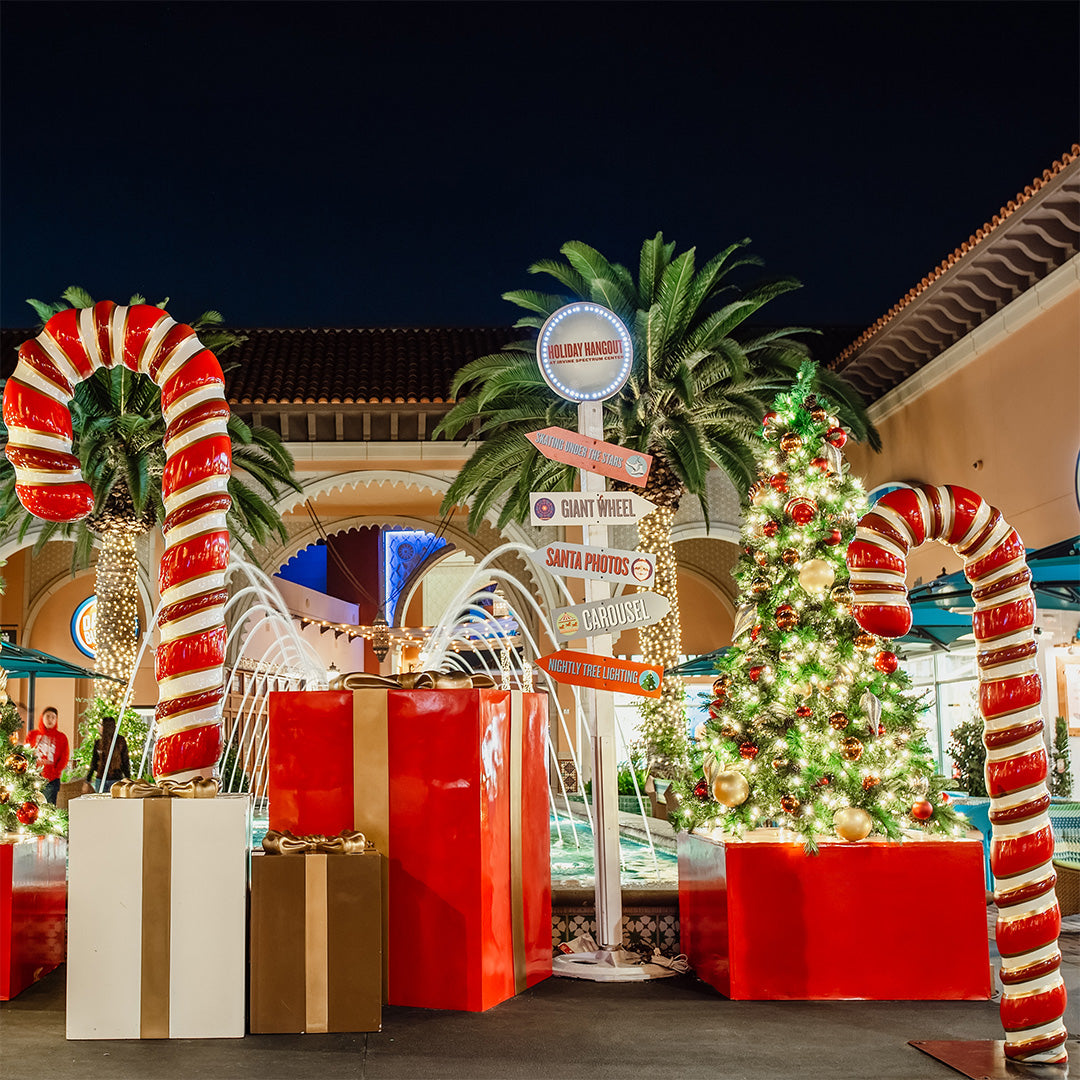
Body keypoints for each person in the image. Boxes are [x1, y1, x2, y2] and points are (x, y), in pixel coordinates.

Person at [27, 705, 70, 805]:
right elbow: (26, 753)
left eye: (53, 717)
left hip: (51, 780)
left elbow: (64, 757)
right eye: (48, 716)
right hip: (33, 778)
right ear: (42, 718)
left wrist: (55, 772)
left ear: (56, 719)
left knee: (48, 807)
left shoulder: (61, 737)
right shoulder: (32, 735)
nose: (50, 719)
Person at [83, 716, 131, 794]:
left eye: (101, 725)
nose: (99, 727)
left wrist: (128, 779)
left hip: (113, 779)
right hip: (104, 779)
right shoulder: (99, 743)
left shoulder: (119, 742)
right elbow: (94, 762)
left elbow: (125, 761)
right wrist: (88, 780)